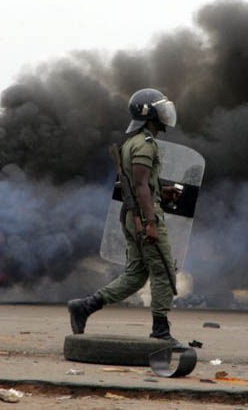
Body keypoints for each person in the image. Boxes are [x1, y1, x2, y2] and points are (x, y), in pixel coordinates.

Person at [68, 88, 181, 343]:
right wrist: (150, 223)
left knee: (136, 275)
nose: (165, 114)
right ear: (148, 114)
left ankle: (84, 307)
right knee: (163, 272)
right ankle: (161, 331)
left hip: (134, 216)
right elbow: (140, 187)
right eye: (159, 109)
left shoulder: (134, 142)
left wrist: (162, 191)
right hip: (144, 217)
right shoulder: (145, 145)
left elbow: (139, 182)